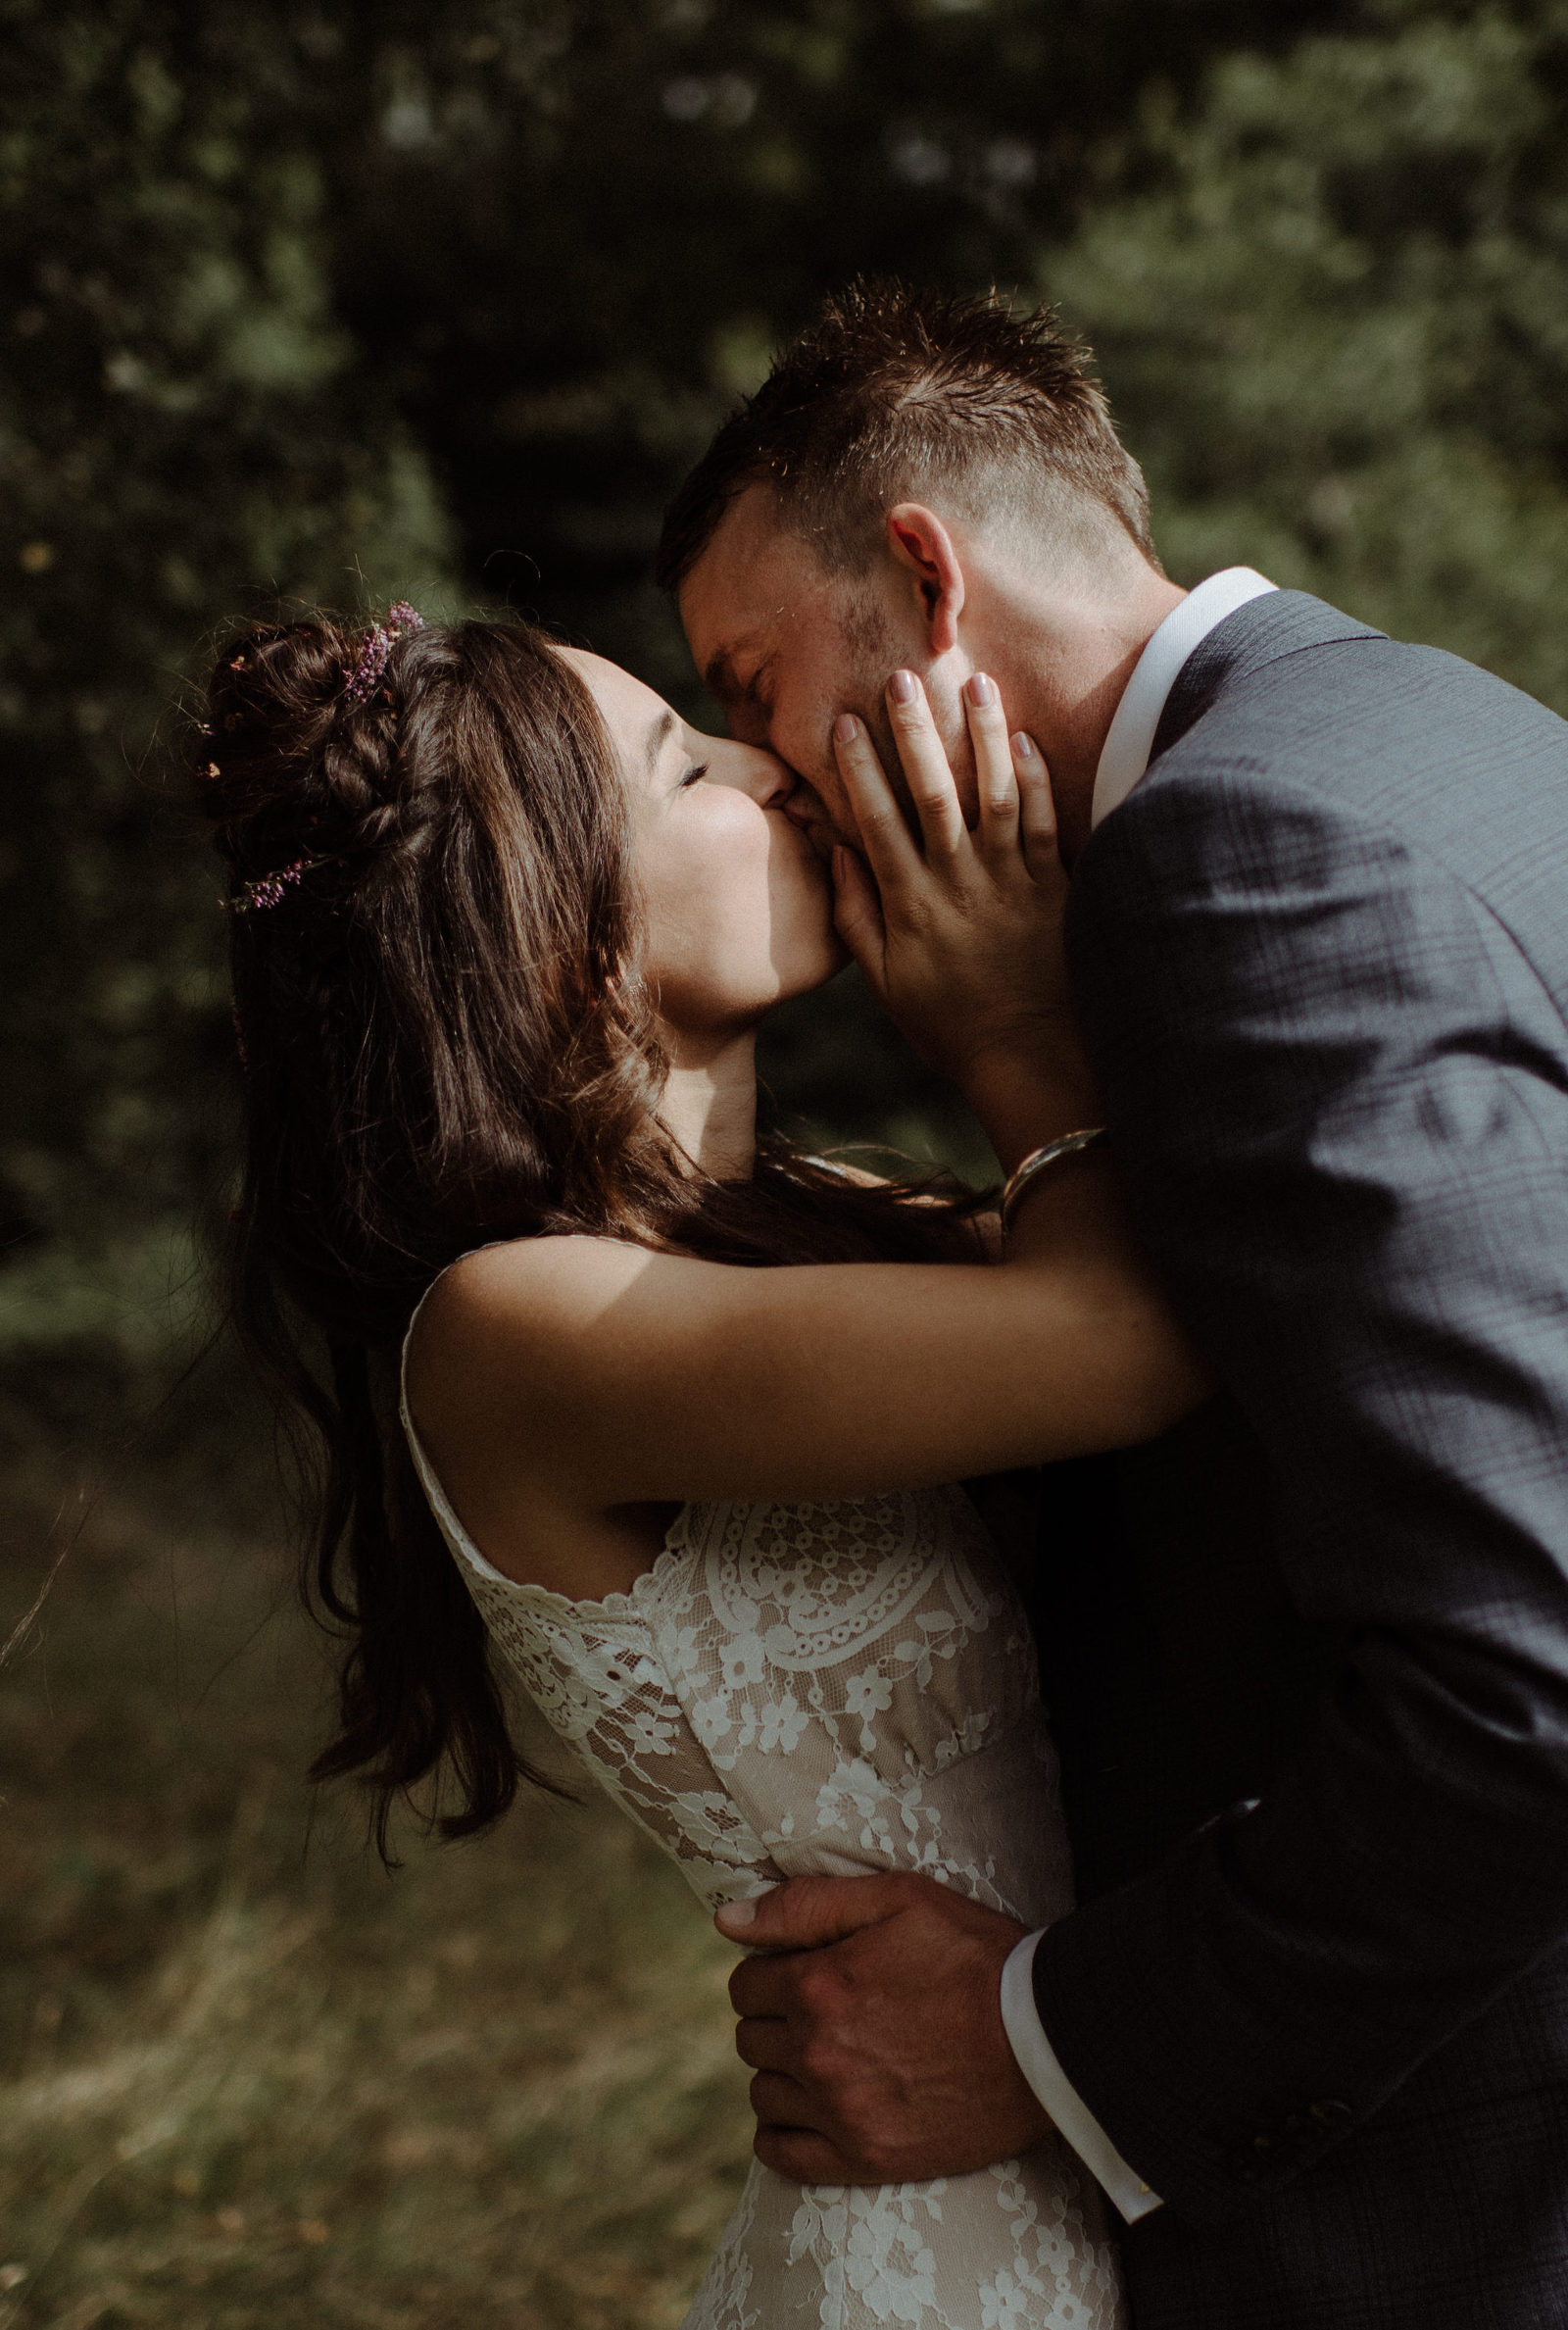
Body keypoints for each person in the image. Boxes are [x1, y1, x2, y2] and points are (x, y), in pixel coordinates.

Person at [656, 281, 1568, 2329]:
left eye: (757, 679)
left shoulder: (1241, 856)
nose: (777, 778)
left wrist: (1045, 2040)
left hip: (1459, 2197)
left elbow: (1530, 1675)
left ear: (921, 576)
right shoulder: (1445, 726)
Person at [196, 601, 1208, 2326]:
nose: (768, 767)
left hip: (1077, 2136)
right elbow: (1127, 1340)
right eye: (684, 761)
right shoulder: (519, 1333)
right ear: (552, 933)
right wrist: (1006, 1020)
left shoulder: (826, 1232)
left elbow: (1192, 1285)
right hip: (944, 2251)